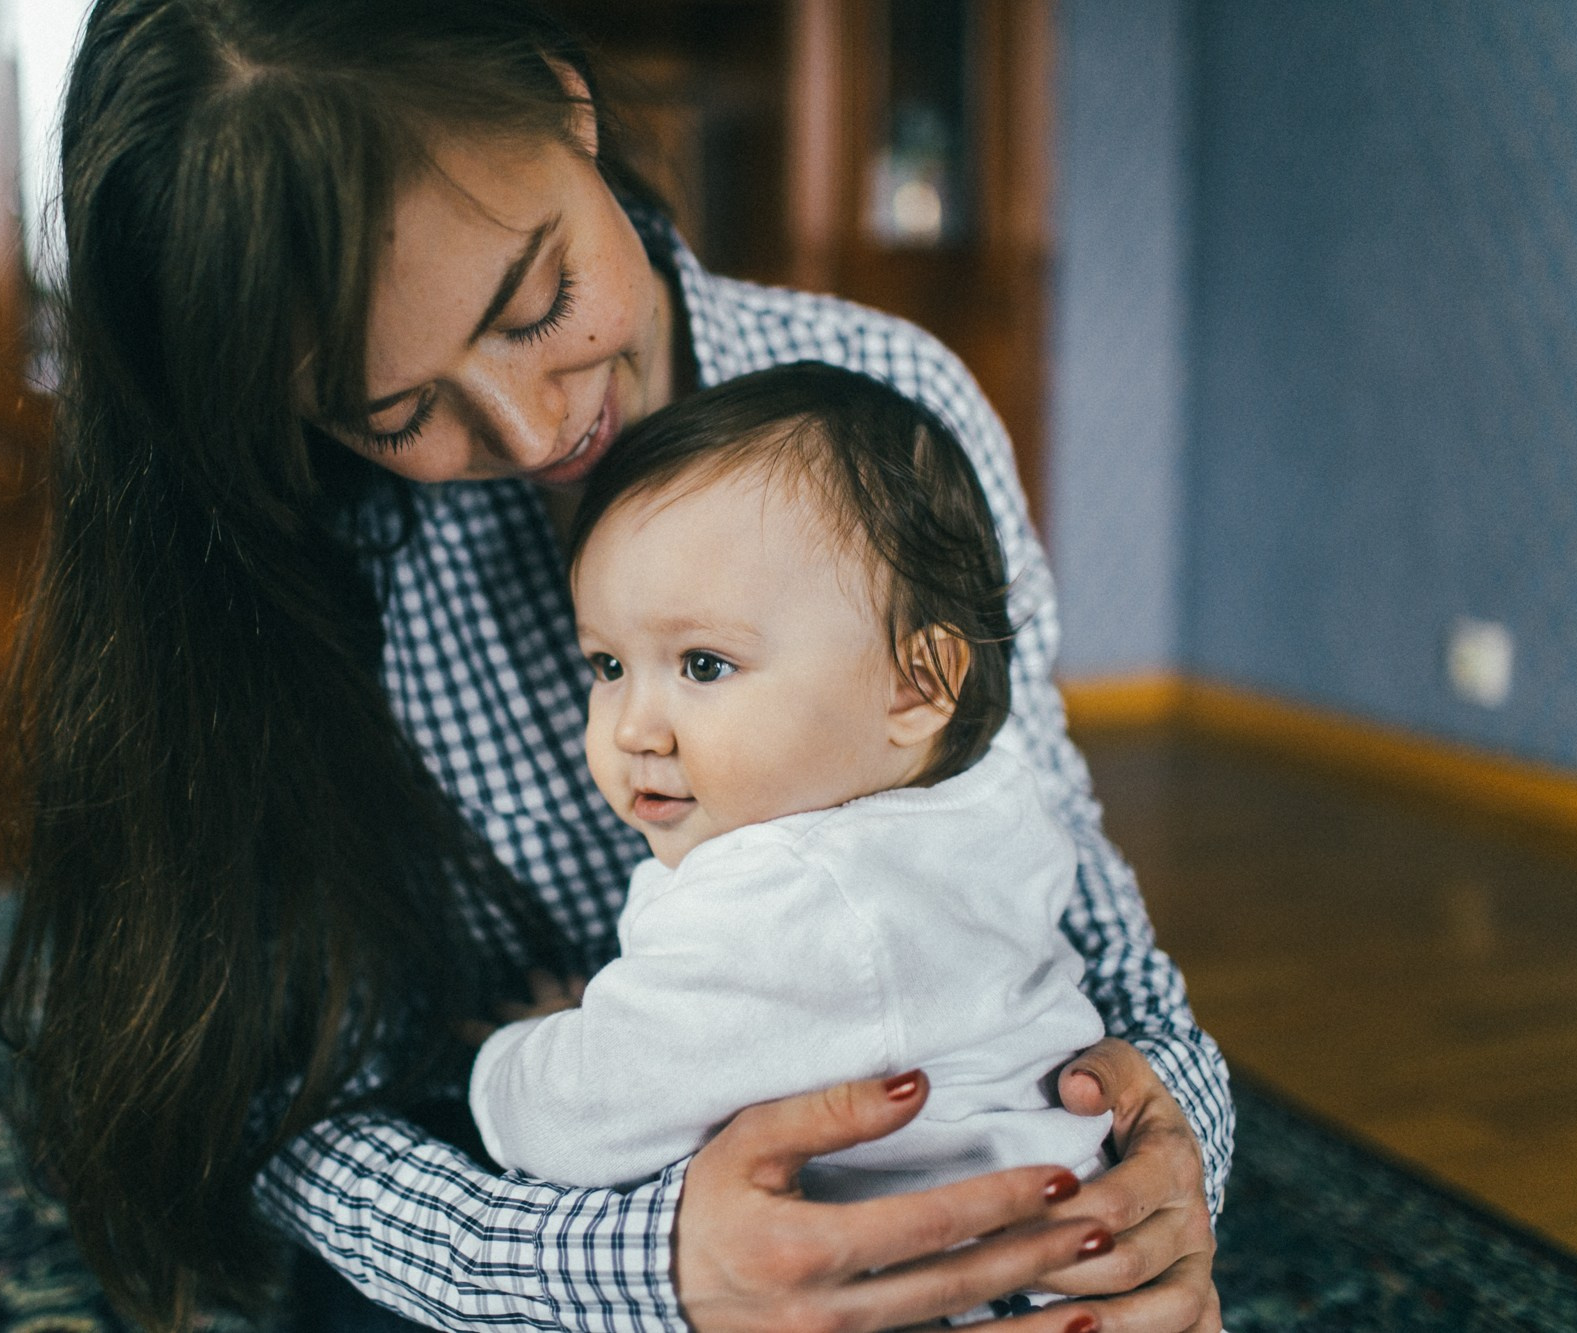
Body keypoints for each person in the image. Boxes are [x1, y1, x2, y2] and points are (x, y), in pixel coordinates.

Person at [0, 3, 1230, 1331]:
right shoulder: (276, 548)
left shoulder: (884, 399)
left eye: (541, 301)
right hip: (512, 1201)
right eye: (395, 411)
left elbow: (1068, 882)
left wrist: (1168, 1168)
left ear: (567, 106)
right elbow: (257, 1092)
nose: (533, 428)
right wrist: (641, 1265)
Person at [470, 364, 1115, 1326]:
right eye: (607, 664)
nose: (635, 727)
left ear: (918, 683)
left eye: (703, 664)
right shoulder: (982, 806)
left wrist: (505, 1058)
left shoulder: (794, 894)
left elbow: (582, 1114)